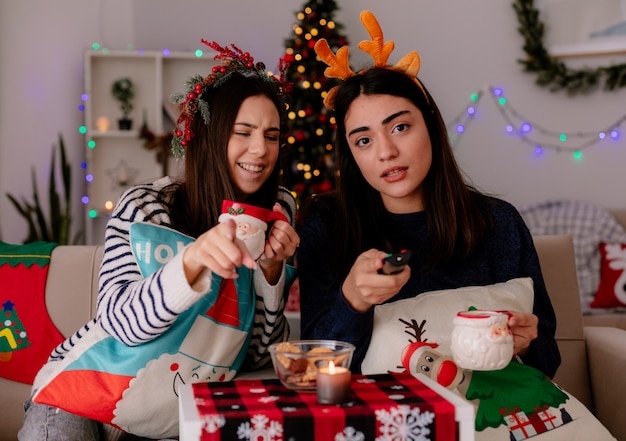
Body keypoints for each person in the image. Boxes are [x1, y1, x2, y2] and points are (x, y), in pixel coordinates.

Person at [19, 41, 299, 441]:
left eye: (272, 135)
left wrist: (272, 274)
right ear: (208, 137)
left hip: (166, 412)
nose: (261, 149)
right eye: (243, 132)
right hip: (79, 393)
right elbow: (119, 325)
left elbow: (255, 353)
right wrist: (190, 262)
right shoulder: (145, 207)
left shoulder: (278, 211)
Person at [297, 10, 560, 379]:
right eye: (364, 140)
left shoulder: (499, 223)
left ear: (431, 127)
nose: (385, 151)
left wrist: (528, 343)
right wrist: (352, 301)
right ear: (352, 156)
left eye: (400, 126)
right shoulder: (326, 226)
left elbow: (547, 359)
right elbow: (316, 371)